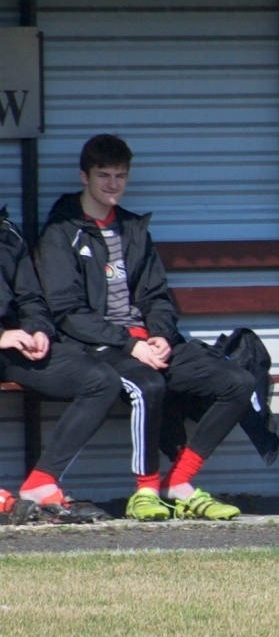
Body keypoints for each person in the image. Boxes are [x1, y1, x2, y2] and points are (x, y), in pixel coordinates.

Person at [35, 134, 255, 521]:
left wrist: (159, 335)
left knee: (238, 381)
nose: (113, 184)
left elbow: (156, 295)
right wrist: (129, 344)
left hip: (146, 344)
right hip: (95, 346)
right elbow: (67, 312)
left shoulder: (134, 229)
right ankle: (146, 491)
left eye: (120, 176)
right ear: (84, 177)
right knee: (148, 385)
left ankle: (180, 482)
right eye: (104, 175)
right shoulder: (61, 232)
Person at [0, 202, 121, 524]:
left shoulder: (7, 233)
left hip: (13, 345)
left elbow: (30, 297)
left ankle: (41, 482)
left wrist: (37, 329)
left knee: (101, 380)